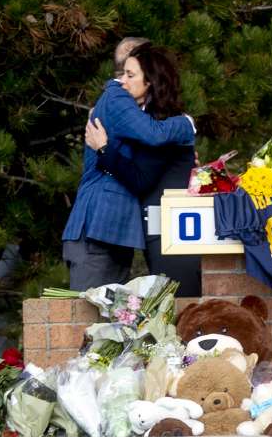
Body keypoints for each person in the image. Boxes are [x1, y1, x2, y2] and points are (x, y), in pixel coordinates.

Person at [61, 41, 196, 290]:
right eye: (122, 71)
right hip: (95, 229)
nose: (122, 80)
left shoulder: (138, 113)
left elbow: (139, 174)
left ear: (152, 80)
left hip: (115, 234)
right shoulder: (116, 96)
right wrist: (186, 125)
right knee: (88, 321)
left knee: (109, 324)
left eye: (130, 74)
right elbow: (154, 134)